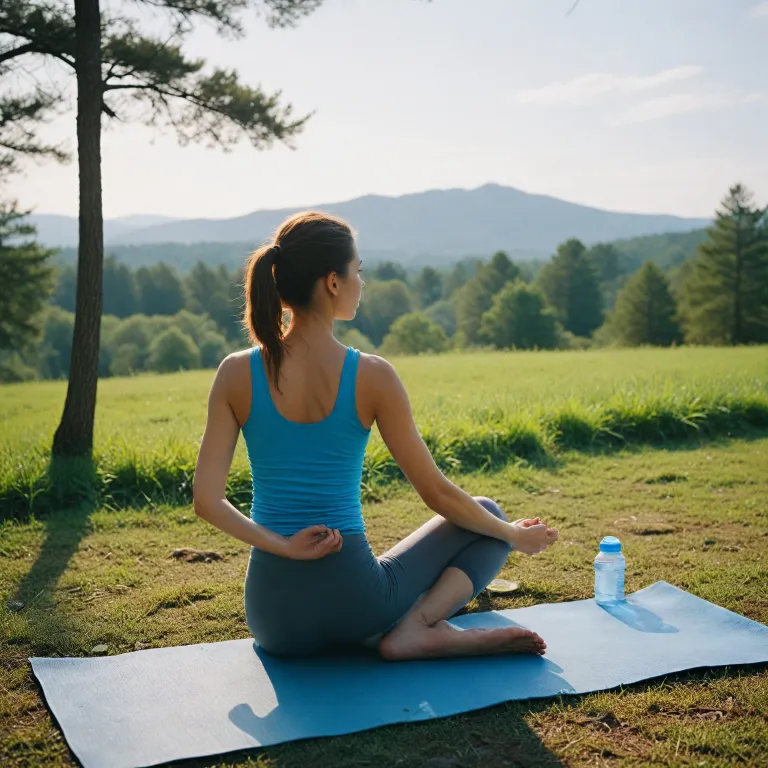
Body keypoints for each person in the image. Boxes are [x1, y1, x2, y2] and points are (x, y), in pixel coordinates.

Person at [193, 211, 559, 659]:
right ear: (332, 281)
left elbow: (206, 501)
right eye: (357, 271)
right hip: (360, 605)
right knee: (486, 515)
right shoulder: (372, 375)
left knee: (487, 522)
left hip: (275, 622)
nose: (360, 284)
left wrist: (285, 547)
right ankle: (419, 627)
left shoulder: (235, 373)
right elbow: (438, 494)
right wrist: (512, 535)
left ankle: (420, 625)